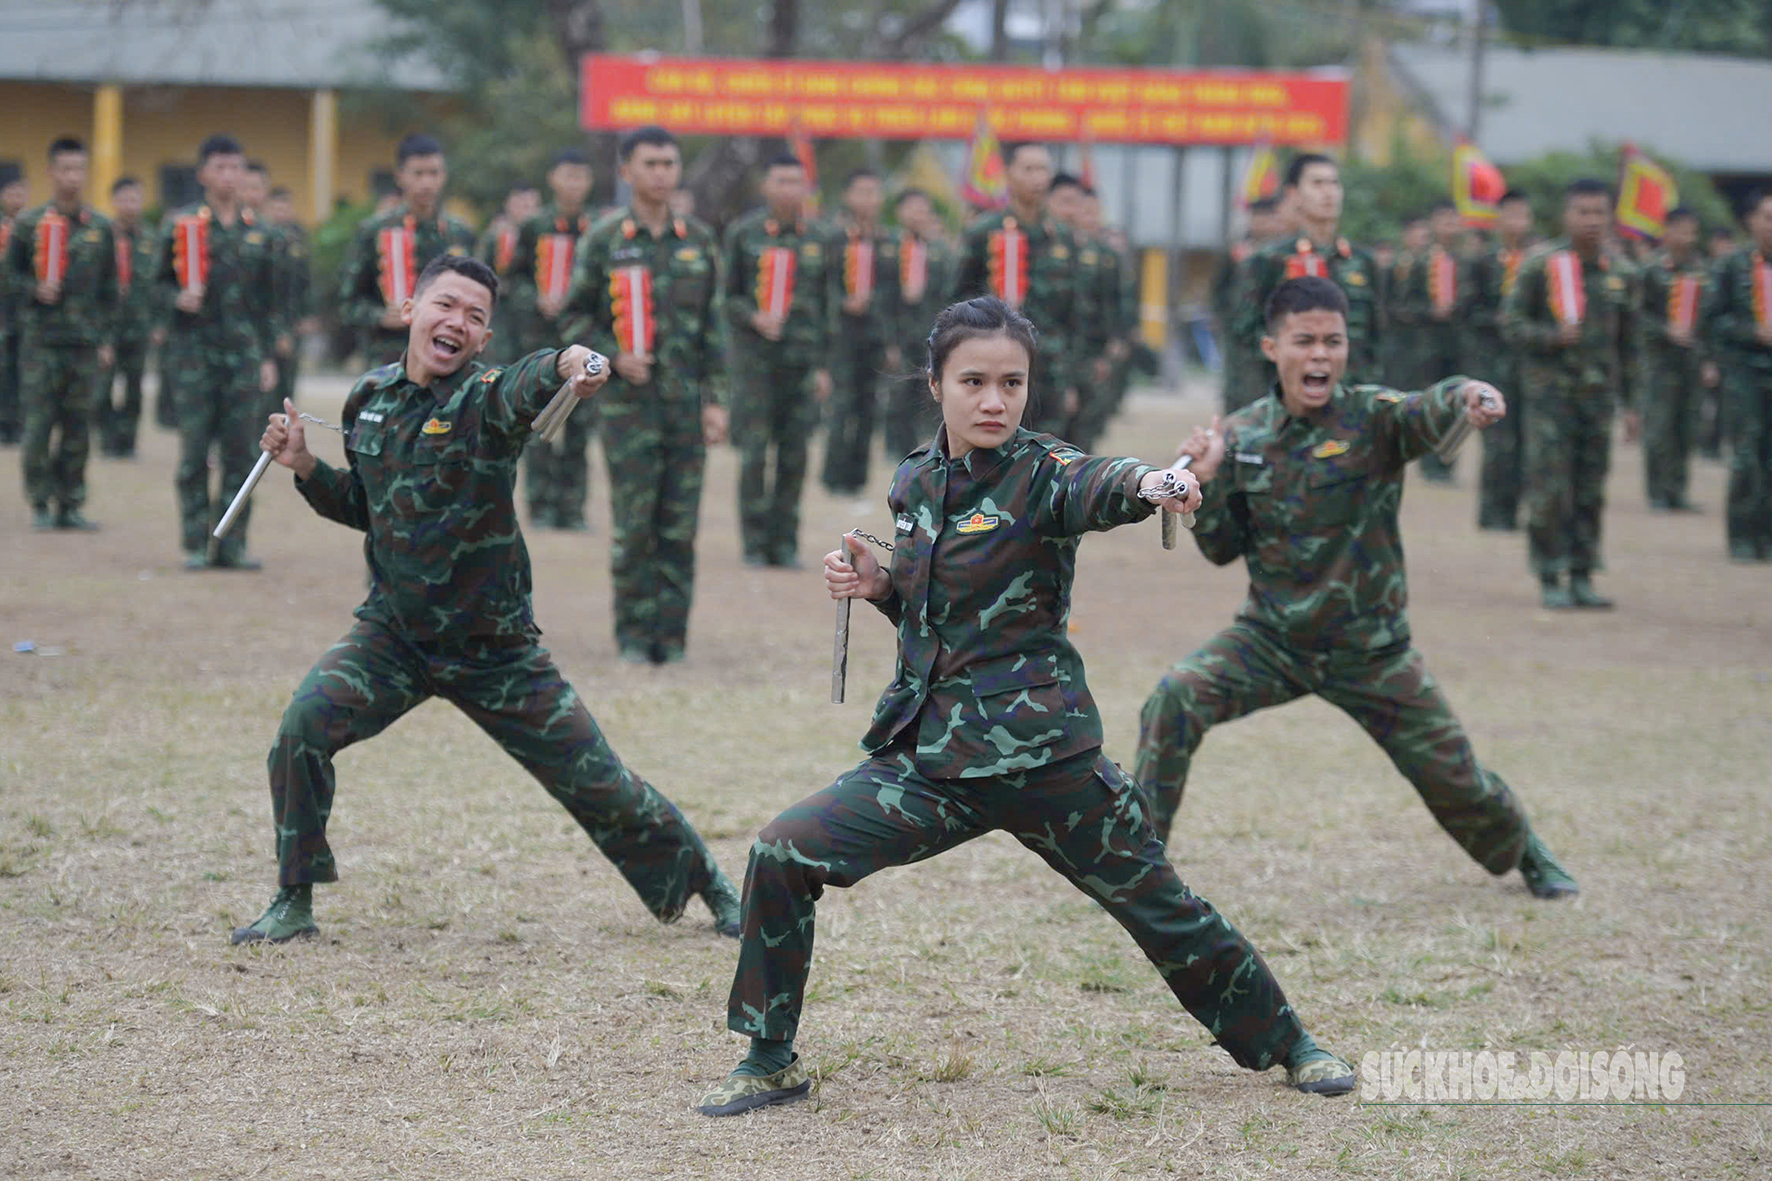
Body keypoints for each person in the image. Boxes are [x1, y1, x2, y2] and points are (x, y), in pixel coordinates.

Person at [696, 296, 1356, 1117]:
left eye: (1013, 382)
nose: (995, 400)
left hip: (1046, 760)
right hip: (931, 759)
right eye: (973, 381)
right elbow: (933, 608)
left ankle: (1291, 1044)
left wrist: (1152, 482)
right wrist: (881, 583)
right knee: (783, 852)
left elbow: (1099, 484)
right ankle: (768, 1056)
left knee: (1162, 908)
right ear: (936, 383)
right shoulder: (916, 479)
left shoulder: (1045, 472)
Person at [232, 253, 743, 945]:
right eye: (445, 305)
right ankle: (294, 900)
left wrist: (566, 360)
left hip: (494, 647)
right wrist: (303, 466)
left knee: (601, 782)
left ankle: (709, 884)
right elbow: (369, 504)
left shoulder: (484, 399)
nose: (458, 323)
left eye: (475, 317)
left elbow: (524, 386)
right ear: (411, 310)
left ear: (483, 340)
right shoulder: (368, 399)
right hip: (394, 636)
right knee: (300, 732)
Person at [1134, 277, 1579, 904]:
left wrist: (1469, 397)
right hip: (1272, 640)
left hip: (1372, 650)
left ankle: (1525, 849)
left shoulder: (1373, 417)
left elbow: (1430, 407)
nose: (1320, 355)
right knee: (1174, 698)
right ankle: (1140, 868)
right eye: (1305, 341)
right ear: (1271, 347)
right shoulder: (1241, 435)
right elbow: (1220, 549)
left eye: (1332, 342)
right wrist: (1202, 486)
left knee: (1457, 781)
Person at [563, 125, 728, 664]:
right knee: (635, 526)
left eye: (669, 163)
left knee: (679, 527)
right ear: (627, 171)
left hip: (684, 406)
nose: (662, 173)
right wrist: (610, 353)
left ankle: (671, 638)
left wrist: (716, 400)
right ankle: (634, 635)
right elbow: (572, 315)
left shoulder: (699, 241)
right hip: (626, 409)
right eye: (651, 163)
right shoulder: (605, 239)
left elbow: (713, 330)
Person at [1502, 178, 1640, 609]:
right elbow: (1510, 324)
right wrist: (1550, 337)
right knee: (1549, 486)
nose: (1592, 220)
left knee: (1590, 486)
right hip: (1549, 399)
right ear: (1567, 215)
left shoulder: (1621, 273)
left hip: (1598, 400)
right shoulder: (1540, 265)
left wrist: (1633, 404)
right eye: (1583, 211)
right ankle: (1549, 572)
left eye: (1600, 211)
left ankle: (1582, 573)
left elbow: (1630, 347)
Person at [156, 134, 280, 570]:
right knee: (193, 453)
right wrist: (175, 299)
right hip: (193, 356)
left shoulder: (260, 233)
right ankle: (194, 542)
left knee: (242, 453)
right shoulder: (182, 226)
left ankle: (231, 543)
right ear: (203, 173)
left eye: (236, 167)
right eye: (220, 167)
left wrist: (267, 357)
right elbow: (151, 287)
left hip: (244, 357)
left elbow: (269, 303)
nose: (229, 175)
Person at [721, 152, 839, 568]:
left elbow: (830, 306)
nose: (789, 189)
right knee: (754, 453)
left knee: (795, 454)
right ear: (766, 186)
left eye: (796, 181)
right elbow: (726, 295)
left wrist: (825, 366)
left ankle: (784, 542)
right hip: (756, 363)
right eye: (781, 181)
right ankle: (754, 542)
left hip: (803, 365)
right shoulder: (744, 233)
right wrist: (751, 315)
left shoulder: (822, 238)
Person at [5, 136, 117, 530]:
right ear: (51, 172)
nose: (72, 177)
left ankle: (70, 503)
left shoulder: (100, 227)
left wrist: (105, 338)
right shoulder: (28, 224)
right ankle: (39, 501)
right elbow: (8, 279)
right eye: (65, 169)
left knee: (77, 427)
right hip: (41, 342)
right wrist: (33, 289)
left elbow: (109, 291)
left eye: (79, 169)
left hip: (84, 345)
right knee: (38, 425)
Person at [955, 143, 1081, 435]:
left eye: (1043, 169)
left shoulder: (1062, 237)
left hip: (1051, 369)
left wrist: (1074, 376)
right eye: (1029, 169)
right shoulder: (984, 232)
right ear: (1009, 175)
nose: (1038, 177)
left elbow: (1074, 313)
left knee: (1051, 455)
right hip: (996, 368)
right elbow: (956, 302)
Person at [1229, 155, 1381, 395]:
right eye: (1317, 183)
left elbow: (1378, 337)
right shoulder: (1269, 260)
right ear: (1294, 194)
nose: (1328, 192)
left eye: (1334, 183)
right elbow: (1244, 336)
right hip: (1290, 398)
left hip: (1351, 399)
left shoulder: (1362, 262)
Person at [512, 148, 598, 531]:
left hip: (585, 341)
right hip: (540, 342)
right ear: (553, 179)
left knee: (579, 428)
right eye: (568, 176)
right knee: (540, 422)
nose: (574, 185)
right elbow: (511, 279)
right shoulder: (534, 227)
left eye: (581, 177)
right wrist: (536, 298)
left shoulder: (597, 229)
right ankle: (542, 506)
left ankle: (573, 508)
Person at [337, 134, 477, 367]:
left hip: (445, 358)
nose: (427, 183)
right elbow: (347, 302)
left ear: (444, 176)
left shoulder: (459, 233)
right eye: (418, 174)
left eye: (434, 173)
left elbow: (475, 296)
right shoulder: (375, 231)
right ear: (400, 176)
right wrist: (379, 316)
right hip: (389, 359)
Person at [820, 168, 899, 499]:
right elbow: (821, 286)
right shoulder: (833, 239)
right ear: (848, 197)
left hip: (876, 337)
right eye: (861, 192)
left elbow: (894, 296)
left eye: (874, 192)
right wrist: (842, 302)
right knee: (842, 406)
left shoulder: (889, 241)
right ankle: (834, 476)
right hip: (842, 336)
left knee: (869, 408)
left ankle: (858, 478)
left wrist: (893, 340)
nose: (868, 199)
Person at [1708, 190, 1772, 562]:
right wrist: (1752, 332)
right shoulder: (1731, 267)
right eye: (1766, 216)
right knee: (1747, 455)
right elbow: (1712, 321)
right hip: (1745, 373)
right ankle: (1744, 536)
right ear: (1752, 221)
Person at [1638, 208, 1716, 513]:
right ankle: (1657, 491)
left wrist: (1709, 359)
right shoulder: (1652, 270)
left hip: (1692, 360)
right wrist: (1663, 330)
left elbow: (1710, 319)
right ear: (1667, 232)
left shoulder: (1703, 270)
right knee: (1660, 427)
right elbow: (1636, 314)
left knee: (1687, 426)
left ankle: (1678, 490)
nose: (1687, 238)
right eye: (1681, 230)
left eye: (1692, 231)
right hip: (1660, 361)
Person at [1468, 190, 1535, 529]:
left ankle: (1512, 512)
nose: (1517, 223)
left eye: (1522, 215)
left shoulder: (1539, 261)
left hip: (1529, 365)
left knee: (1524, 440)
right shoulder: (1483, 262)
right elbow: (1468, 309)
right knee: (1497, 441)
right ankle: (1491, 513)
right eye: (1510, 215)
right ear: (1498, 220)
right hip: (1493, 362)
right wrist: (1496, 320)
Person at [1390, 199, 1467, 483]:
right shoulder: (1419, 264)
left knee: (1458, 404)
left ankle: (1449, 462)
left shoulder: (1465, 262)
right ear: (1434, 225)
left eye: (1454, 220)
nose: (1450, 227)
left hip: (1458, 344)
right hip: (1425, 345)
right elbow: (1401, 306)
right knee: (1431, 403)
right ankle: (1430, 464)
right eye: (1444, 220)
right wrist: (1429, 312)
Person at [1047, 172, 1122, 451]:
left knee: (1083, 426)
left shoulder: (1095, 252)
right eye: (1066, 202)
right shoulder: (1044, 245)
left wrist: (1104, 349)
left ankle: (1077, 487)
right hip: (1046, 353)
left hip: (1084, 352)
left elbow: (1107, 303)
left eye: (1079, 204)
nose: (1074, 211)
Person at [879, 187, 954, 463]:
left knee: (929, 392)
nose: (918, 214)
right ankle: (897, 451)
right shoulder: (889, 249)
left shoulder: (940, 252)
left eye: (923, 208)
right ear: (900, 212)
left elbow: (949, 295)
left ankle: (929, 452)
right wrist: (889, 341)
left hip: (931, 336)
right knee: (898, 394)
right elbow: (882, 299)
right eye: (912, 207)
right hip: (899, 335)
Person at [96, 176, 163, 459]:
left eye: (135, 199)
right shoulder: (101, 236)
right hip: (107, 326)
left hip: (140, 325)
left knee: (135, 388)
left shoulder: (151, 238)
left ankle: (128, 442)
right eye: (124, 199)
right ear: (114, 202)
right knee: (102, 388)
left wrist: (159, 323)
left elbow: (160, 285)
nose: (130, 205)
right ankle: (108, 440)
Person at [1215, 196, 1285, 416]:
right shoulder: (1236, 250)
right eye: (1260, 217)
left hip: (1272, 329)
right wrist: (1223, 318)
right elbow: (1219, 288)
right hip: (1239, 333)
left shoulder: (1283, 252)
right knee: (1241, 386)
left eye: (1270, 217)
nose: (1265, 223)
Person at [263, 185, 316, 419]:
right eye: (276, 207)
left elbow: (306, 281)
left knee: (289, 374)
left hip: (293, 319)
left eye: (285, 207)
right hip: (265, 320)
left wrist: (308, 315)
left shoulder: (298, 241)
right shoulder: (260, 238)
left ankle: (285, 419)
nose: (280, 212)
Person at [477, 182, 541, 367]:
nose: (526, 212)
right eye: (521, 205)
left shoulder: (542, 236)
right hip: (502, 316)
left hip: (535, 319)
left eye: (531, 206)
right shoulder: (495, 236)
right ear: (509, 205)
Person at [0, 169, 29, 446]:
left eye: (21, 194)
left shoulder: (36, 230)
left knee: (22, 369)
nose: (17, 199)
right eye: (12, 194)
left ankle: (18, 424)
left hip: (24, 313)